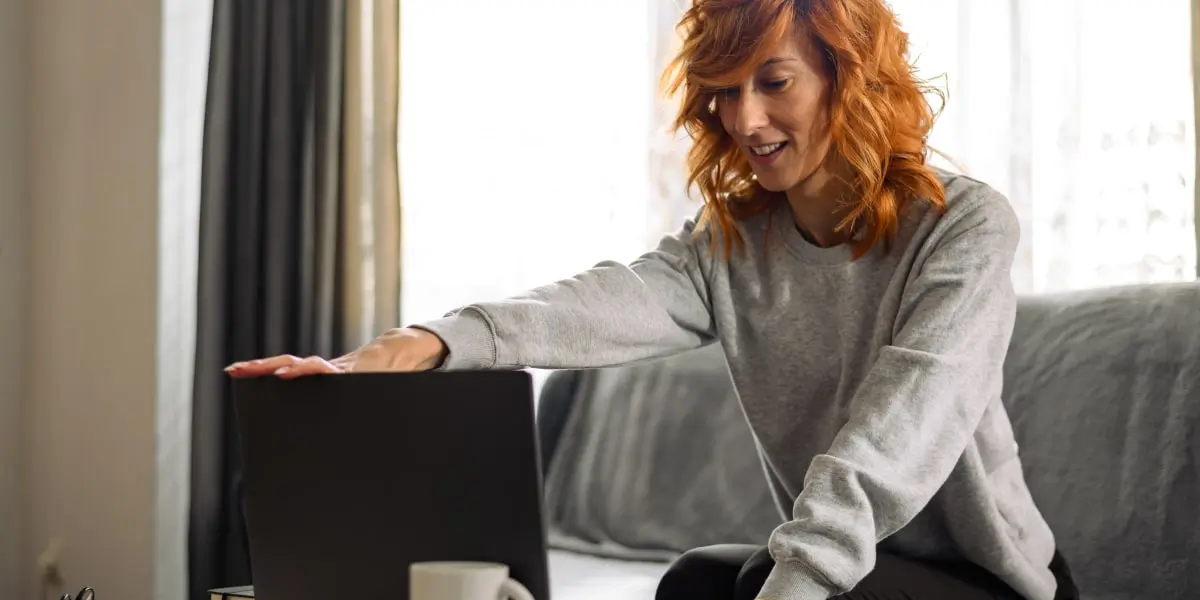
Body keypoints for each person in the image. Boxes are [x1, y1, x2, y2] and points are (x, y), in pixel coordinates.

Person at [227, 0, 1081, 598]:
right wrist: (413, 344)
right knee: (698, 581)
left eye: (774, 81)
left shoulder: (963, 226)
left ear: (843, 75)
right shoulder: (732, 246)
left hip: (989, 583)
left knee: (760, 584)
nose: (745, 120)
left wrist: (798, 582)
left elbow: (901, 425)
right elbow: (598, 303)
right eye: (726, 90)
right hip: (852, 564)